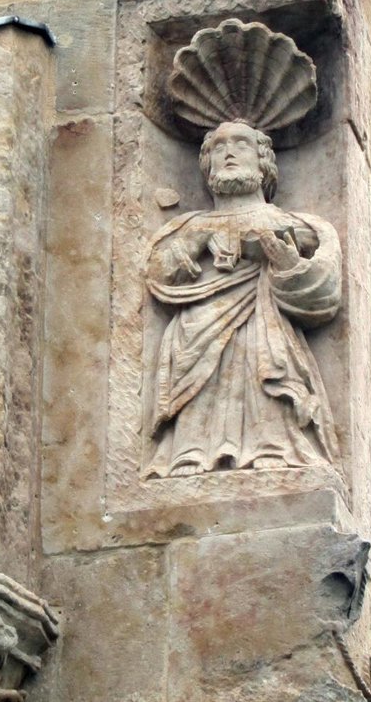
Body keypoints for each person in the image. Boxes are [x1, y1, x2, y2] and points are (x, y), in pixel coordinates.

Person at [144, 120, 342, 478]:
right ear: (207, 164)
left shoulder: (294, 224)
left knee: (260, 370)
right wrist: (192, 244)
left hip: (263, 324)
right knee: (201, 393)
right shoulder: (188, 226)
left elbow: (324, 291)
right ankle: (189, 453)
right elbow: (157, 275)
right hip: (197, 329)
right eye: (218, 147)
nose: (229, 153)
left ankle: (274, 449)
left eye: (241, 144)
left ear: (263, 161)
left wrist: (287, 264)